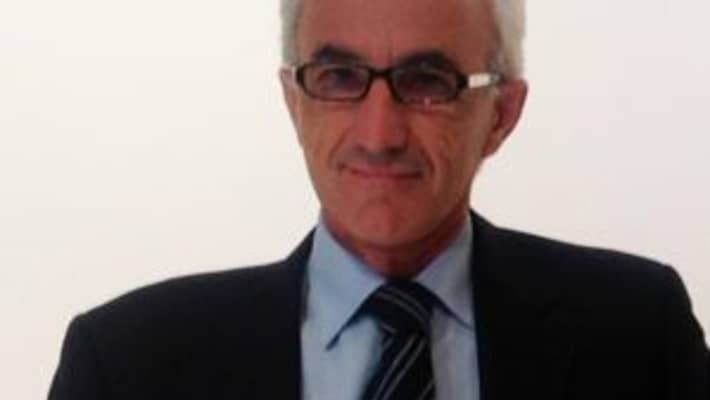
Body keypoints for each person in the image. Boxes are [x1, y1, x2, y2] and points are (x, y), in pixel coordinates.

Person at [49, 0, 709, 399]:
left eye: (427, 81)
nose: (379, 134)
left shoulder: (636, 335)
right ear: (293, 102)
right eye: (340, 77)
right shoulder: (127, 366)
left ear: (502, 115)